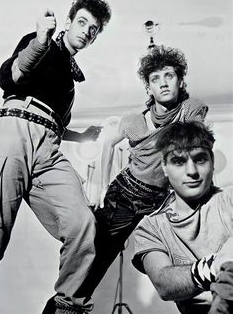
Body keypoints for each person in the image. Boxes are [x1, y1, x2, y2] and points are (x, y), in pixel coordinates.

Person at [0, 0, 111, 314]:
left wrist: (80, 135)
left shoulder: (70, 81)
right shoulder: (41, 45)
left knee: (82, 223)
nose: (87, 31)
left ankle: (66, 307)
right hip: (14, 132)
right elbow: (10, 78)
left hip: (49, 148)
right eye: (83, 22)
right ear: (69, 22)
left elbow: (54, 125)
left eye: (94, 29)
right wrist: (39, 39)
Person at [75, 45, 209, 299]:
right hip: (124, 195)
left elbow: (194, 142)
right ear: (148, 88)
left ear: (180, 80)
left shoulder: (190, 109)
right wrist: (102, 186)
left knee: (183, 254)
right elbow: (107, 142)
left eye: (169, 76)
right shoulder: (134, 121)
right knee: (93, 262)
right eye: (155, 79)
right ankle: (65, 307)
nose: (163, 83)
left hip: (159, 201)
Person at [132, 121, 233, 314]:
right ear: (164, 167)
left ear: (212, 161)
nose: (192, 171)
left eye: (200, 159)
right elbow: (164, 284)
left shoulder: (229, 200)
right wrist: (215, 265)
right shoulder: (151, 227)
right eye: (179, 161)